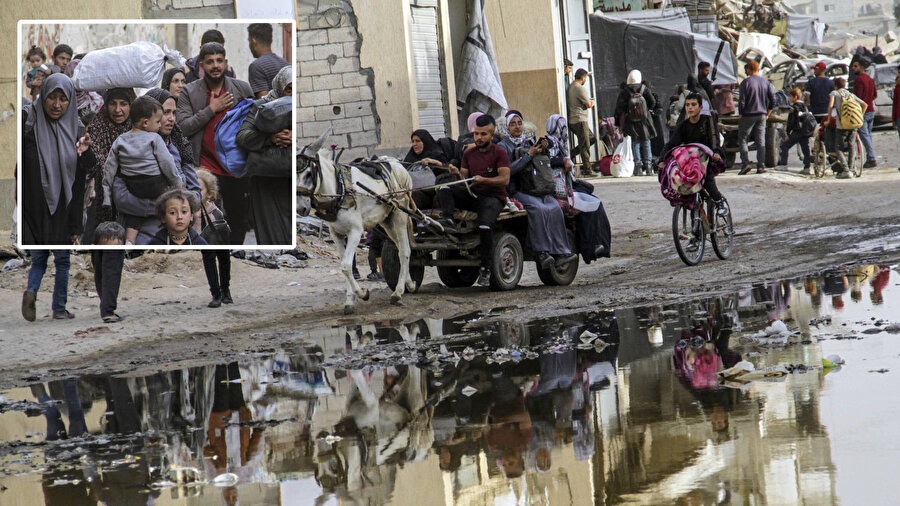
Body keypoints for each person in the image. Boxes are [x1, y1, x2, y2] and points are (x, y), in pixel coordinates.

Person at [176, 42, 254, 245]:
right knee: (210, 217)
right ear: (202, 65)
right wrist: (211, 108)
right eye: (210, 62)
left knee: (238, 217)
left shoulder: (241, 89)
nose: (215, 66)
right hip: (206, 167)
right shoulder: (189, 92)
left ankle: (234, 254)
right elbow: (183, 127)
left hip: (236, 167)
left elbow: (256, 122)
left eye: (219, 61)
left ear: (226, 63)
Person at [113, 88, 203, 244]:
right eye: (166, 112)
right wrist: (162, 207)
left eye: (174, 113)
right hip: (139, 231)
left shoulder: (180, 146)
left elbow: (195, 193)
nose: (171, 119)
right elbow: (121, 198)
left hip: (175, 233)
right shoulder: (130, 147)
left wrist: (175, 210)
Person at [21, 73, 94, 246]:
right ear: (43, 95)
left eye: (63, 99)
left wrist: (87, 152)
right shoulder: (28, 123)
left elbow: (81, 178)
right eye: (51, 97)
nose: (56, 105)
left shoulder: (77, 129)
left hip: (63, 214)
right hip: (32, 210)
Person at [437, 114, 510, 286]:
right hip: (474, 194)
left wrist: (484, 180)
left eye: (483, 134)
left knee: (484, 226)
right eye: (476, 134)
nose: (478, 137)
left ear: (492, 135)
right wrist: (457, 174)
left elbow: (504, 179)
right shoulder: (469, 153)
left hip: (493, 197)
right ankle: (447, 220)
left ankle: (485, 268)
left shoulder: (500, 153)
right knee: (445, 188)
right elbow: (465, 178)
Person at [498, 111, 576, 269]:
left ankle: (562, 252)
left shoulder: (528, 142)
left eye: (519, 123)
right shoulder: (503, 146)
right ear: (506, 127)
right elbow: (507, 172)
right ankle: (541, 253)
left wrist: (543, 150)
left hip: (536, 188)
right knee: (539, 209)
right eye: (512, 124)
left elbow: (541, 164)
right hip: (517, 190)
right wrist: (528, 156)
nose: (517, 127)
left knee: (554, 208)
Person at [102, 95, 182, 245]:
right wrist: (177, 183)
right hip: (154, 185)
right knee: (167, 202)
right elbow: (167, 163)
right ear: (145, 123)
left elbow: (109, 169)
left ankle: (130, 242)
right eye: (158, 122)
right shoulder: (154, 138)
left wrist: (107, 196)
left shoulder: (120, 140)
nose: (159, 125)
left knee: (134, 214)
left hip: (132, 186)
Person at [236, 66, 293, 245]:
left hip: (293, 177)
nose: (292, 94)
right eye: (289, 88)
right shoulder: (262, 106)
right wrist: (271, 138)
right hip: (264, 178)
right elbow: (242, 136)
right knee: (270, 228)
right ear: (279, 87)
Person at [662, 92, 728, 215]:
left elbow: (714, 138)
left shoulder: (708, 121)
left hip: (708, 159)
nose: (690, 108)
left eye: (693, 104)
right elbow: (672, 143)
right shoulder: (683, 126)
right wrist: (661, 159)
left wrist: (716, 152)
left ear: (700, 107)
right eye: (687, 105)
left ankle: (720, 203)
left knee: (708, 181)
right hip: (691, 161)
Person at [84, 87, 136, 242]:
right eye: (113, 103)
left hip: (130, 197)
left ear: (131, 106)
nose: (118, 110)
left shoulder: (138, 129)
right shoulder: (96, 128)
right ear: (106, 105)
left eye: (123, 104)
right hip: (100, 199)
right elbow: (94, 164)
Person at [196, 169, 232, 307]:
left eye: (199, 189)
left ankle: (225, 291)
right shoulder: (190, 212)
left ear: (210, 194)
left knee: (224, 257)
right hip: (204, 241)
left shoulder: (217, 213)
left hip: (218, 237)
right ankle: (216, 294)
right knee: (208, 259)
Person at [615, 69, 657, 176]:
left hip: (631, 121)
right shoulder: (644, 89)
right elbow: (652, 102)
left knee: (635, 142)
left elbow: (619, 108)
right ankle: (648, 167)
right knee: (646, 141)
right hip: (645, 120)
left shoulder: (625, 91)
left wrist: (621, 118)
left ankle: (638, 167)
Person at [737, 61, 775, 175]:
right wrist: (768, 112)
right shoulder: (766, 82)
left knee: (743, 139)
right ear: (758, 69)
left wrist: (741, 113)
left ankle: (745, 164)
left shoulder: (745, 82)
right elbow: (773, 99)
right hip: (762, 115)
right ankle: (760, 166)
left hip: (748, 115)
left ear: (748, 69)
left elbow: (742, 100)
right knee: (760, 141)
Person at [826, 78, 866, 179]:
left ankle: (846, 170)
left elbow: (830, 106)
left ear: (835, 85)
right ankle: (852, 169)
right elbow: (864, 104)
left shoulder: (834, 93)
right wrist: (859, 117)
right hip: (853, 125)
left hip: (842, 126)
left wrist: (828, 119)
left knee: (838, 148)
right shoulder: (851, 94)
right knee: (852, 146)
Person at [404, 128, 450, 209]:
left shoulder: (437, 155)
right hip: (411, 190)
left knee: (413, 196)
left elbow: (447, 172)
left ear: (425, 142)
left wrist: (435, 163)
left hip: (431, 195)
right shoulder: (410, 158)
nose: (414, 144)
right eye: (413, 141)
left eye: (418, 141)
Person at [91, 222, 126, 323]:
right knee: (111, 275)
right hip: (115, 242)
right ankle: (108, 312)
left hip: (99, 240)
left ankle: (106, 306)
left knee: (100, 274)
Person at [247, 23, 290, 99]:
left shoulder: (256, 66)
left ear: (254, 41)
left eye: (249, 41)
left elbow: (264, 103)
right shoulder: (285, 63)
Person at [567, 68, 596, 176]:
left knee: (591, 139)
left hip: (575, 121)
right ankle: (588, 170)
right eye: (586, 78)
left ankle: (572, 153)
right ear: (583, 78)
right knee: (585, 145)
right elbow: (588, 104)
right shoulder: (579, 88)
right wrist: (592, 102)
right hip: (579, 120)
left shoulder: (572, 86)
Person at [778, 88, 812, 173]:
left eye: (790, 96)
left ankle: (783, 165)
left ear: (795, 97)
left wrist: (788, 134)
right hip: (805, 131)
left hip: (797, 131)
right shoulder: (805, 107)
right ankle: (807, 167)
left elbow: (791, 122)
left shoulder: (793, 108)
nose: (789, 98)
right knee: (805, 149)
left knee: (785, 146)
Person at [850, 59, 877, 168]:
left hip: (863, 112)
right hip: (871, 110)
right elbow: (875, 94)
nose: (853, 68)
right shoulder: (870, 79)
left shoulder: (859, 80)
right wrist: (869, 100)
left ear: (861, 67)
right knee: (868, 135)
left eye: (855, 66)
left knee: (865, 136)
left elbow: (858, 98)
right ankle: (870, 158)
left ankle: (871, 158)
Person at [61, 58, 103, 126]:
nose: (78, 78)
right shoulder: (61, 99)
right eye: (74, 74)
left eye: (82, 74)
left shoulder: (95, 100)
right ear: (68, 75)